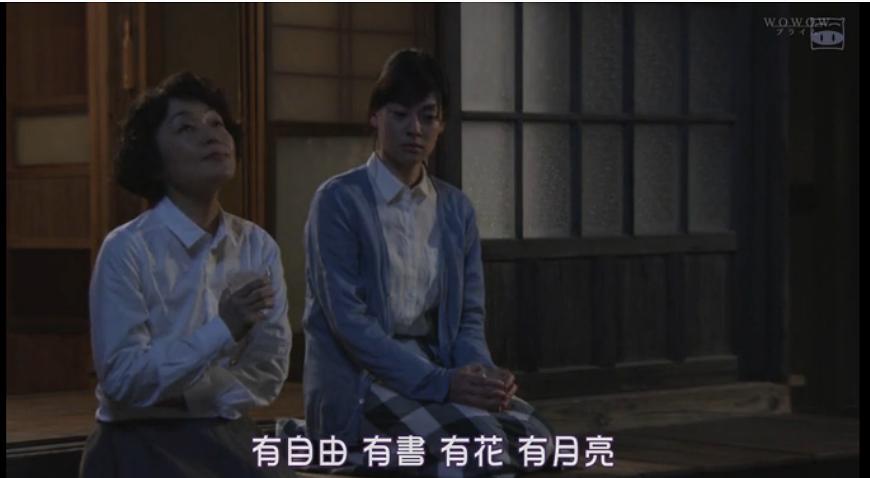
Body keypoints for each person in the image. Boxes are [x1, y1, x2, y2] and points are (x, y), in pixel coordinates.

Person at [300, 49, 556, 477]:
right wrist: (443, 384)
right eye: (399, 114)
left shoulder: (456, 209)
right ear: (375, 117)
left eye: (428, 116)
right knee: (484, 447)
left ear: (442, 124)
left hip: (437, 368)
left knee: (542, 441)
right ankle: (349, 453)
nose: (414, 129)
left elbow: (468, 317)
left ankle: (395, 461)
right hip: (363, 377)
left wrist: (481, 377)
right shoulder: (339, 200)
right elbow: (348, 322)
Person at [80, 72, 293, 478]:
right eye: (186, 128)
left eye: (216, 123)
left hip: (228, 431)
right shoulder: (127, 248)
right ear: (154, 160)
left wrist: (181, 394)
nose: (211, 135)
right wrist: (223, 329)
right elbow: (124, 378)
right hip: (136, 440)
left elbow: (267, 373)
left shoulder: (256, 245)